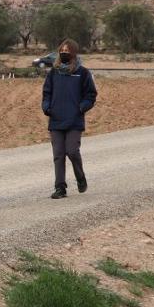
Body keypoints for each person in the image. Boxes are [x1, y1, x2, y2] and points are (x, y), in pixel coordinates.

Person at [41, 38, 97, 199]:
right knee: (58, 155)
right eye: (62, 50)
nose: (64, 53)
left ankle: (80, 178)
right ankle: (60, 188)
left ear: (73, 53)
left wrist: (82, 107)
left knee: (72, 151)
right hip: (56, 119)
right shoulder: (54, 73)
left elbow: (91, 95)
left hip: (74, 120)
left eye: (67, 50)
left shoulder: (83, 73)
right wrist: (47, 107)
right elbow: (47, 93)